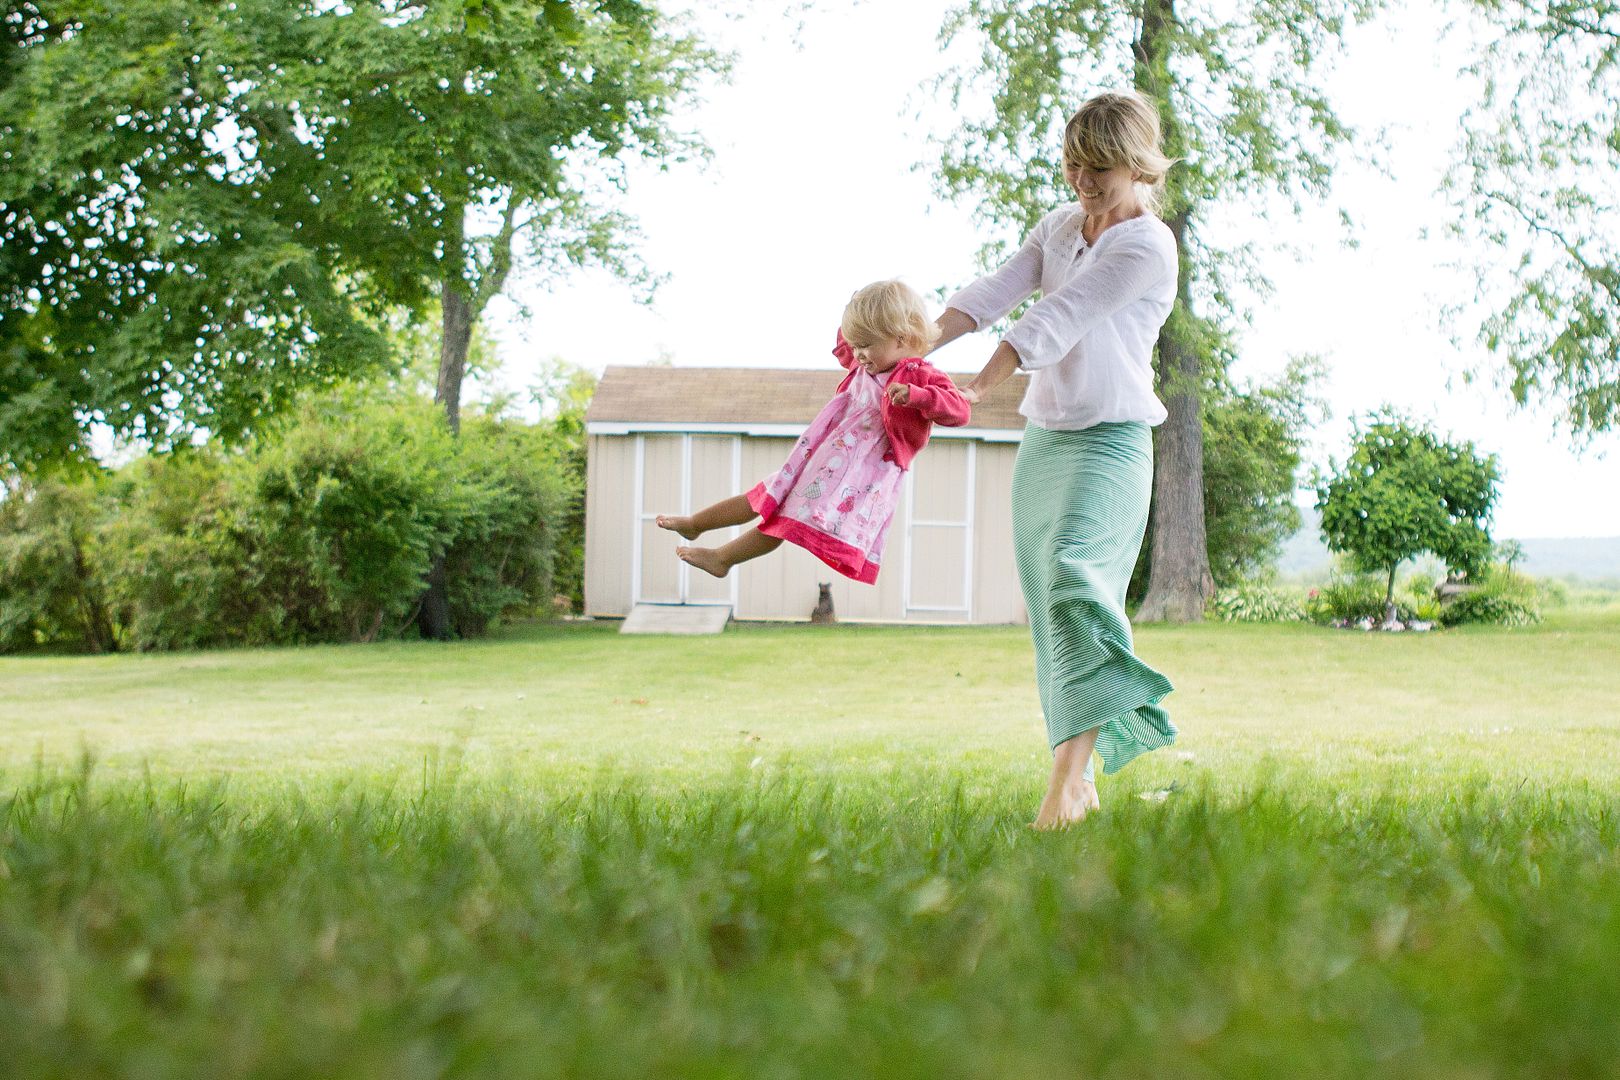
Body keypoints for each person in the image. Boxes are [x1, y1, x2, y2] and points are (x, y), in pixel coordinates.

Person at [932, 90, 1180, 830]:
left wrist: (978, 384)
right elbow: (992, 293)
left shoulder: (1145, 245)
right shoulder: (1062, 225)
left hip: (1112, 440)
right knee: (1052, 612)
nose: (1082, 180)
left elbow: (1056, 319)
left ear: (1137, 165)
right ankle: (1079, 775)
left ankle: (1062, 788)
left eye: (1098, 166)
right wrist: (913, 343)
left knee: (1078, 581)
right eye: (1074, 164)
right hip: (1048, 440)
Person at [658, 279, 971, 582]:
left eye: (866, 346)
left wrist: (917, 397)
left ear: (901, 339)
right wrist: (859, 302)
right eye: (856, 345)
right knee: (766, 494)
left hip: (858, 474)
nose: (859, 354)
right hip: (822, 459)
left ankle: (722, 558)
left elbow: (959, 410)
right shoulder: (861, 366)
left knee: (785, 520)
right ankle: (695, 523)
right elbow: (844, 340)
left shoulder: (922, 377)